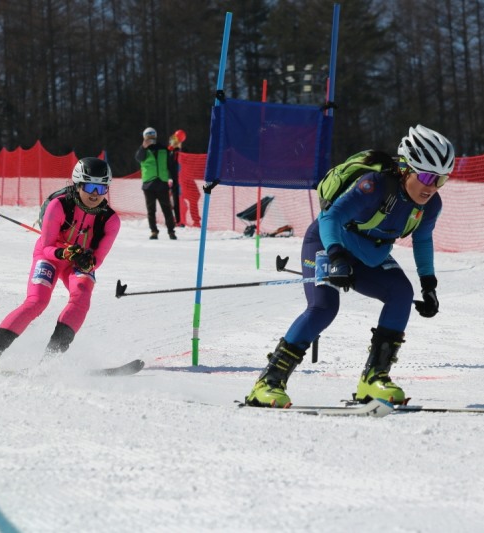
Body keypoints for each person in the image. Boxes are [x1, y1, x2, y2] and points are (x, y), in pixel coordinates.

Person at [245, 125, 455, 407]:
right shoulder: (374, 186)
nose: (432, 187)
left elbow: (423, 239)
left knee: (401, 293)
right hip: (327, 243)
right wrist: (336, 256)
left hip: (369, 254)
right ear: (407, 168)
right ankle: (268, 383)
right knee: (323, 307)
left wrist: (429, 284)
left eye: (441, 180)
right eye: (427, 176)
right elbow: (330, 219)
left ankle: (374, 379)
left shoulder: (430, 205)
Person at [0, 157, 121, 368]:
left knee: (82, 298)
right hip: (51, 256)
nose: (95, 194)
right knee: (37, 302)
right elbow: (46, 248)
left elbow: (97, 260)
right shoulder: (59, 206)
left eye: (102, 188)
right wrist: (64, 253)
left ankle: (50, 361)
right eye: (90, 187)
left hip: (77, 262)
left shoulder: (110, 220)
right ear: (78, 184)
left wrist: (87, 262)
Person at [135, 127, 177, 239]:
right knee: (151, 210)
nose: (150, 139)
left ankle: (171, 231)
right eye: (148, 137)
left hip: (162, 183)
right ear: (144, 138)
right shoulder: (143, 150)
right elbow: (138, 158)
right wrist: (143, 147)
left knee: (167, 209)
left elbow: (171, 164)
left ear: (155, 136)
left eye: (152, 137)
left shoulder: (164, 149)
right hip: (148, 185)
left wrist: (173, 179)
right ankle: (154, 231)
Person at [172, 129, 202, 227]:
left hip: (187, 180)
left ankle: (195, 221)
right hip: (179, 181)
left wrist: (179, 148)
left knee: (195, 196)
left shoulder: (184, 152)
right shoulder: (172, 152)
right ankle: (179, 220)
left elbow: (187, 159)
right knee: (179, 201)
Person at [167, 130, 183, 226]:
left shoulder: (178, 152)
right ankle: (176, 219)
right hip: (172, 180)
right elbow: (169, 165)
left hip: (178, 180)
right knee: (173, 201)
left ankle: (178, 219)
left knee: (178, 201)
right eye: (172, 141)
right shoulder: (170, 152)